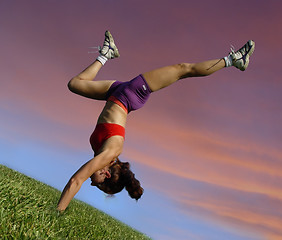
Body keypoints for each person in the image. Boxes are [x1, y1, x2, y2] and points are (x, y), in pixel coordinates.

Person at [57, 31, 255, 211]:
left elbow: (80, 178)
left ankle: (106, 53)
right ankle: (233, 60)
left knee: (74, 84)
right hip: (131, 94)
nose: (92, 182)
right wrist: (58, 212)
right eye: (97, 183)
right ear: (106, 175)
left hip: (115, 93)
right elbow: (77, 180)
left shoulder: (100, 154)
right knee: (183, 69)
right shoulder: (111, 152)